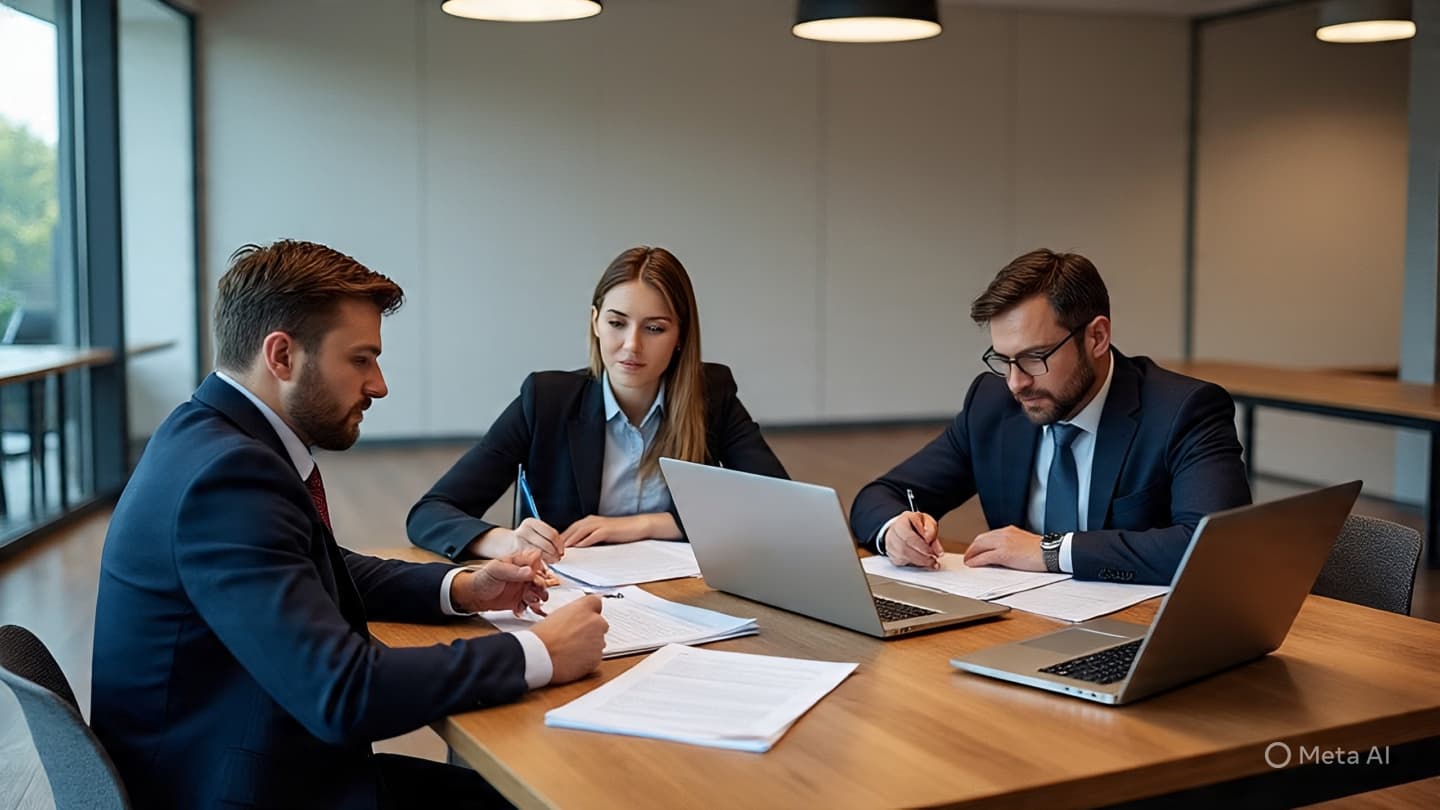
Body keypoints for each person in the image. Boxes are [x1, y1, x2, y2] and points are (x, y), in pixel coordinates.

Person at [91, 240, 609, 810]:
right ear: (282, 356)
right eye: (360, 359)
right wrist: (540, 654)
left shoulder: (206, 432)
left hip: (242, 762)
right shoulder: (230, 476)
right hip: (246, 790)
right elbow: (342, 692)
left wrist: (463, 585)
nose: (379, 384)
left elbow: (311, 565)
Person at [849, 249, 1251, 586]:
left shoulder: (1183, 411)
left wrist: (1053, 550)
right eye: (1003, 360)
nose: (1015, 382)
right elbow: (878, 497)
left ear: (1096, 337)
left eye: (1033, 358)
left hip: (1138, 632)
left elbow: (1216, 550)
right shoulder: (993, 404)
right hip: (1015, 623)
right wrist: (895, 532)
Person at [408, 245, 789, 562]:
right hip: (571, 601)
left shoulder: (712, 394)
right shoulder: (546, 400)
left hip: (683, 596)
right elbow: (430, 514)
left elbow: (779, 505)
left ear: (680, 336)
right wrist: (506, 541)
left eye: (654, 328)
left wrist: (649, 524)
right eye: (616, 323)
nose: (631, 346)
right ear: (595, 322)